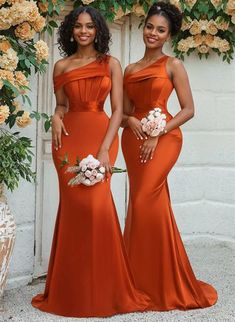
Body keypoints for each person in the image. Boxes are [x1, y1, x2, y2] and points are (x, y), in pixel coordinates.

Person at [31, 6, 152, 318]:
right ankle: (71, 290)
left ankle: (106, 287)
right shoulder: (60, 66)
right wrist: (56, 118)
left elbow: (116, 112)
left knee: (97, 208)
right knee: (75, 211)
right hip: (68, 140)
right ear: (70, 30)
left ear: (98, 30)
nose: (83, 32)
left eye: (89, 27)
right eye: (78, 26)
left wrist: (104, 150)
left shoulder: (111, 63)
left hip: (101, 137)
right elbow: (60, 105)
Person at [121, 1, 218, 311]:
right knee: (142, 202)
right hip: (134, 138)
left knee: (143, 199)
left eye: (160, 30)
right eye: (150, 26)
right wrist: (132, 121)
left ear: (169, 35)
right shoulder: (129, 69)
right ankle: (136, 279)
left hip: (164, 138)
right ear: (144, 26)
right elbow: (121, 113)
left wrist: (158, 131)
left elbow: (189, 109)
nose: (153, 33)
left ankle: (161, 281)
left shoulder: (173, 65)